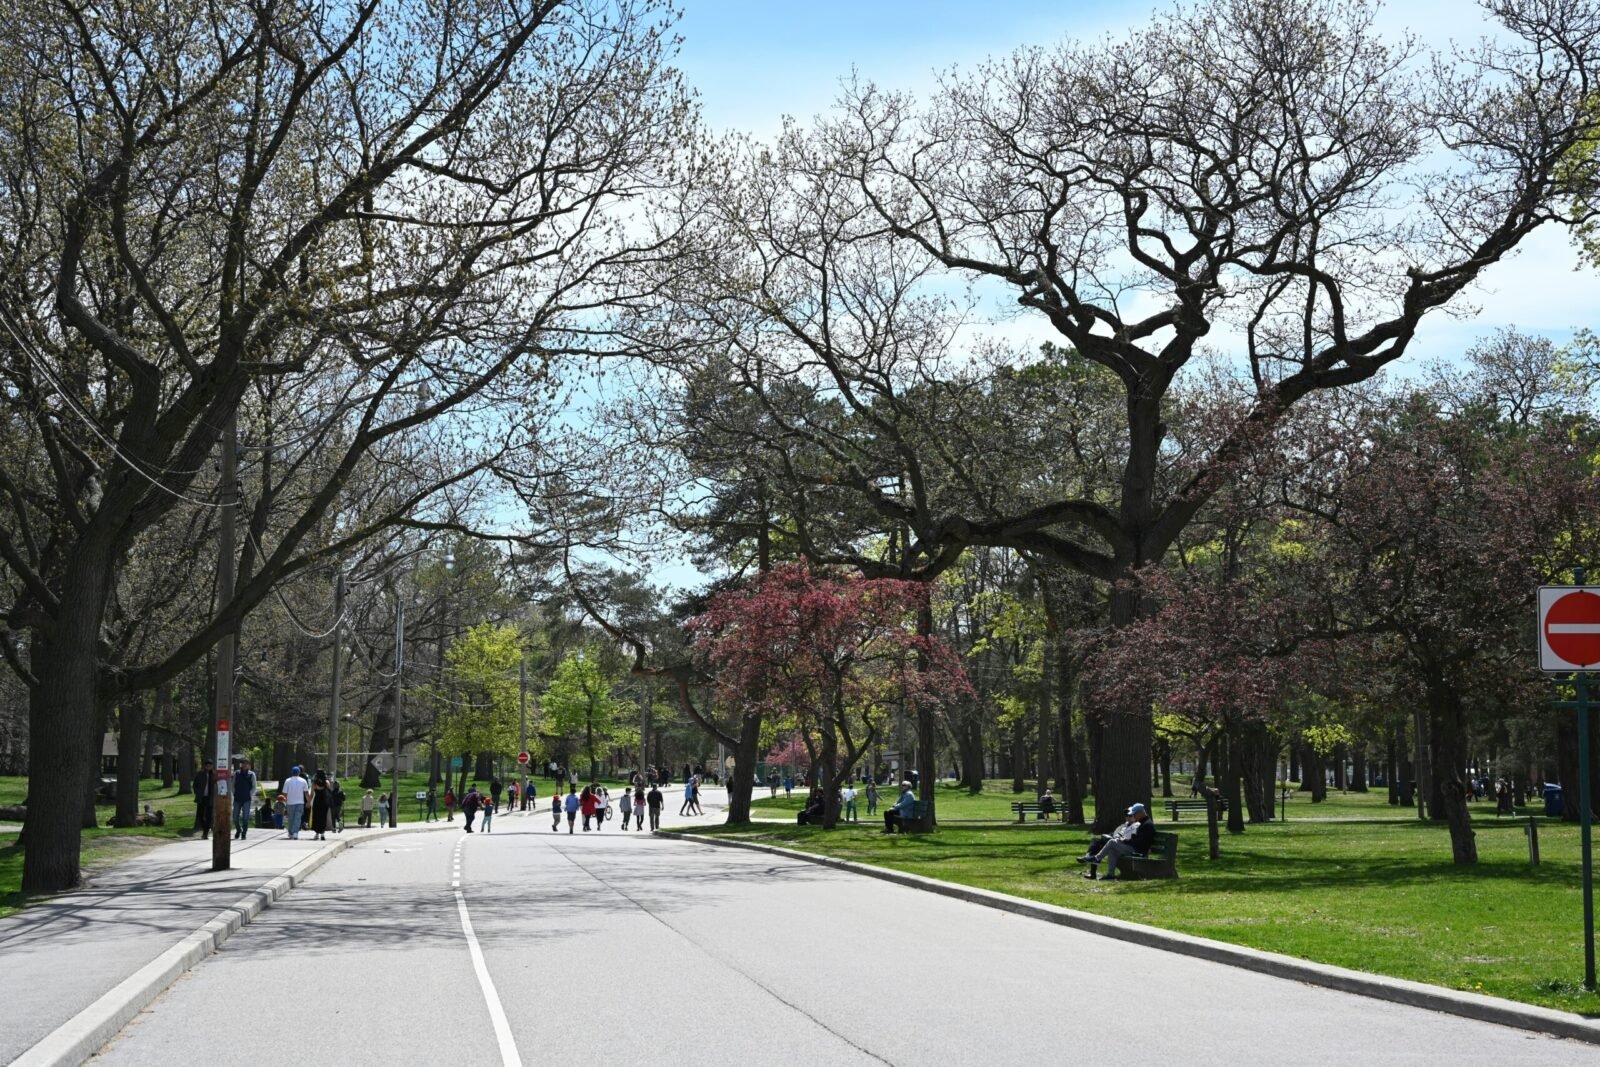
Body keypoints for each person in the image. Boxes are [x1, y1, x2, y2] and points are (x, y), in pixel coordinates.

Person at [1079, 803, 1156, 881]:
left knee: (1112, 842)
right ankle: (1110, 874)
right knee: (1112, 850)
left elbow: (1141, 843)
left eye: (1134, 814)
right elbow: (1137, 839)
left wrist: (1126, 841)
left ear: (1140, 813)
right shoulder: (1143, 823)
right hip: (1135, 848)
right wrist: (1125, 840)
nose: (1134, 816)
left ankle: (1097, 858)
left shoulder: (1147, 825)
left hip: (1138, 851)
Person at [232, 759, 258, 840]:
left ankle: (244, 833)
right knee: (235, 817)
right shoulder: (236, 773)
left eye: (246, 764)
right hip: (237, 798)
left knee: (245, 817)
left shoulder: (252, 774)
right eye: (243, 763)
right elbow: (233, 784)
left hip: (247, 799)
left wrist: (249, 794)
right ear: (241, 764)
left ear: (249, 765)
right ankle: (239, 830)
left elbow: (254, 787)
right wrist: (234, 793)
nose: (244, 765)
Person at [283, 765, 310, 840]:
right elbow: (306, 793)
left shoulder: (287, 781)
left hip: (290, 802)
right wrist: (309, 801)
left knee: (291, 818)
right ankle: (295, 833)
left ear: (292, 772)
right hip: (300, 802)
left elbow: (285, 793)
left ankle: (291, 832)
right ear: (299, 773)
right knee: (297, 818)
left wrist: (285, 802)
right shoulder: (303, 781)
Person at [192, 759, 215, 839]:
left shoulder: (215, 775)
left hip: (210, 798)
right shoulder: (200, 774)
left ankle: (205, 833)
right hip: (201, 797)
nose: (208, 767)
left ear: (212, 766)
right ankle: (205, 827)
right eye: (207, 765)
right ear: (205, 766)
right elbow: (195, 785)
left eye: (210, 765)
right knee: (200, 816)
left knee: (209, 816)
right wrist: (197, 793)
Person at [310, 769, 331, 841]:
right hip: (324, 801)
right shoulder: (326, 782)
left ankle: (316, 834)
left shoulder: (314, 783)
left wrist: (309, 802)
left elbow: (312, 794)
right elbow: (329, 791)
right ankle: (322, 833)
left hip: (317, 801)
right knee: (323, 817)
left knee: (316, 817)